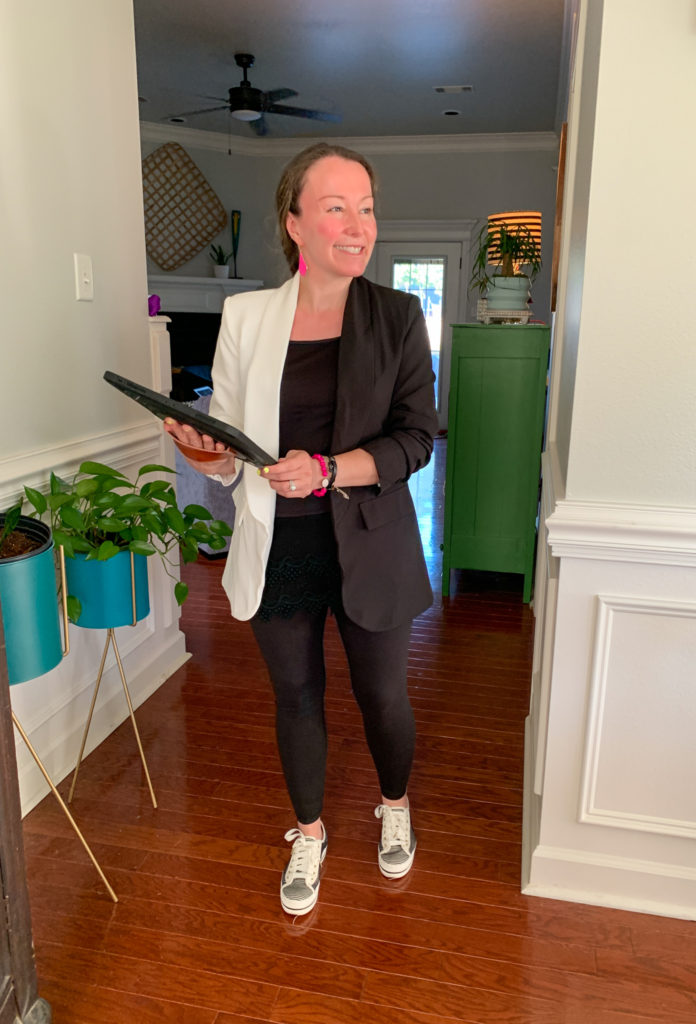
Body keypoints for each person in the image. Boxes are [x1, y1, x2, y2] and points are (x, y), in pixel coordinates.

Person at [164, 142, 438, 916]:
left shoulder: (397, 316)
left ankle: (393, 805)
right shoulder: (247, 317)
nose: (358, 225)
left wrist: (327, 469)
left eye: (368, 207)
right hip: (279, 541)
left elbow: (416, 437)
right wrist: (207, 454)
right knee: (297, 696)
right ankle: (310, 831)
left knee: (382, 694)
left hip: (370, 538)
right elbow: (230, 448)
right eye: (336, 207)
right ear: (295, 224)